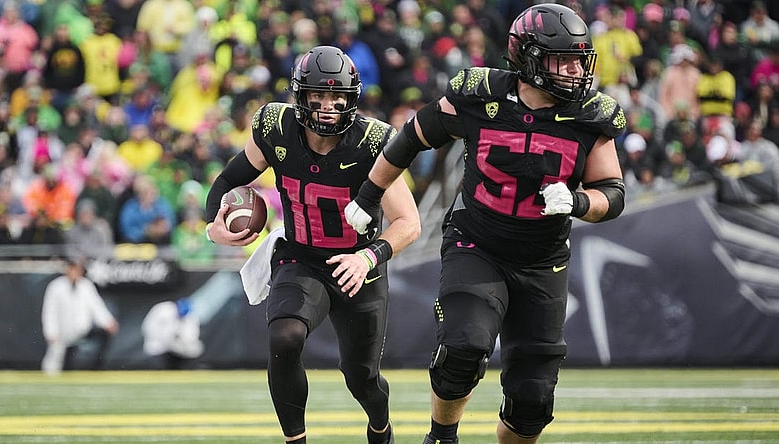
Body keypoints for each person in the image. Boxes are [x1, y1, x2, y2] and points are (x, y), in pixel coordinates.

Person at [344, 5, 626, 444]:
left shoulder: (590, 116)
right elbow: (411, 137)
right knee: (462, 347)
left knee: (532, 400)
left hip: (543, 260)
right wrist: (368, 193)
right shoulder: (480, 97)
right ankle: (442, 435)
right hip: (477, 244)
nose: (575, 70)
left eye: (578, 59)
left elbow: (613, 194)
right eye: (563, 59)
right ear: (528, 58)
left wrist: (578, 200)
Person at [204, 46, 420, 444]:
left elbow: (409, 223)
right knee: (284, 338)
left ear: (351, 99)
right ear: (300, 98)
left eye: (337, 98)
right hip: (300, 256)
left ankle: (380, 427)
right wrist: (212, 225)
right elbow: (225, 182)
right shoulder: (276, 127)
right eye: (317, 97)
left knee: (362, 378)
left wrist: (368, 257)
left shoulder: (373, 143)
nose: (327, 107)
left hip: (360, 268)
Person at [41, 257, 119, 375]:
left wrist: (107, 322)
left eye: (78, 270)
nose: (75, 273)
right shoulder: (56, 287)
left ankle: (95, 369)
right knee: (55, 362)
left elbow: (96, 306)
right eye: (73, 269)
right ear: (67, 270)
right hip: (62, 333)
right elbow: (49, 311)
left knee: (103, 336)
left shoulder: (85, 285)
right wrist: (50, 332)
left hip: (82, 330)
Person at [141, 298, 204, 369]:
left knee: (195, 349)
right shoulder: (163, 310)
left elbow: (192, 334)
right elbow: (148, 327)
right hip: (159, 344)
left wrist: (180, 339)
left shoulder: (190, 317)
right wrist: (166, 337)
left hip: (178, 347)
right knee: (159, 362)